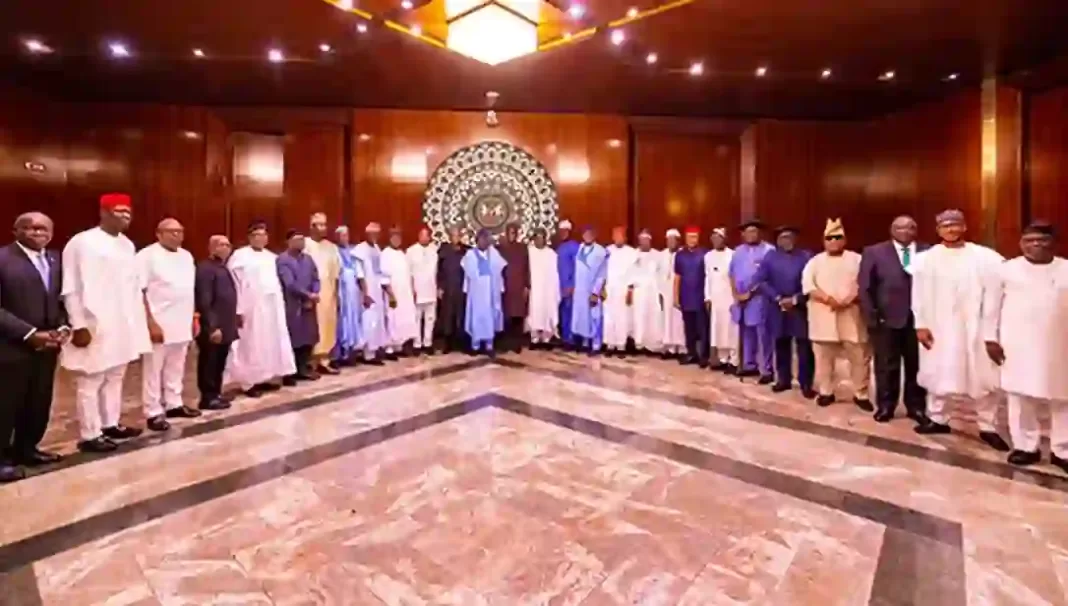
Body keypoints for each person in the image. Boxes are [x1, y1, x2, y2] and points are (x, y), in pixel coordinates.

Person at [909, 209, 1009, 451]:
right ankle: (937, 419)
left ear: (964, 227)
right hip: (938, 326)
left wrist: (991, 332)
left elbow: (996, 295)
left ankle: (988, 427)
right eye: (945, 226)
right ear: (938, 230)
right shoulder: (926, 258)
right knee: (937, 372)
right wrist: (920, 324)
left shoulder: (986, 257)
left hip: (976, 327)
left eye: (955, 225)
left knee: (982, 377)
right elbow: (918, 295)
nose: (951, 230)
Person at [61, 193, 151, 453]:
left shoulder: (127, 245)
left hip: (122, 323)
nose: (125, 217)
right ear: (103, 212)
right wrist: (78, 324)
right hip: (93, 323)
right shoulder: (81, 242)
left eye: (128, 212)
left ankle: (110, 424)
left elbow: (133, 288)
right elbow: (71, 286)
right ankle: (90, 434)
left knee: (116, 375)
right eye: (118, 211)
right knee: (91, 379)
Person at [983, 222, 1068, 470]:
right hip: (1017, 344)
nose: (1036, 245)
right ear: (1021, 243)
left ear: (1053, 243)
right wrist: (990, 338)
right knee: (1020, 397)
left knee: (1063, 398)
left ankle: (1062, 450)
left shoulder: (1066, 269)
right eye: (1030, 240)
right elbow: (991, 307)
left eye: (1042, 240)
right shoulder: (1006, 270)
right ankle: (1025, 446)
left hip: (1060, 344)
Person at [0, 212, 66, 480]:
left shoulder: (56, 259)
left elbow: (62, 297)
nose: (38, 233)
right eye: (31, 228)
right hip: (10, 347)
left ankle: (27, 448)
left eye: (44, 229)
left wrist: (61, 327)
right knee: (6, 404)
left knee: (38, 401)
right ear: (16, 230)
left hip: (47, 345)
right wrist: (29, 333)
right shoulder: (3, 259)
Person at [859, 215, 930, 423]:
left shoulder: (928, 251)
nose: (905, 231)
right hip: (885, 320)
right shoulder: (874, 252)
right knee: (886, 366)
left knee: (916, 365)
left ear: (916, 230)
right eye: (899, 228)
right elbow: (865, 287)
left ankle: (916, 407)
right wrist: (872, 317)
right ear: (891, 230)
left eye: (910, 228)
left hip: (919, 321)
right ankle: (886, 406)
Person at [136, 217, 200, 432]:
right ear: (158, 233)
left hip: (182, 320)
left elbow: (188, 291)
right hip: (158, 322)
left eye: (180, 231)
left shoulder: (186, 256)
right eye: (171, 231)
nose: (177, 235)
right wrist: (150, 322)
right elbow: (140, 291)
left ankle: (174, 403)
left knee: (177, 365)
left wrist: (193, 318)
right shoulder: (146, 256)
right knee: (154, 369)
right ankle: (152, 411)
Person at [802, 219, 872, 409]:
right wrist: (828, 299)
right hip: (823, 315)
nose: (833, 241)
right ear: (824, 241)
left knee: (859, 357)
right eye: (829, 238)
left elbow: (865, 283)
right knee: (824, 359)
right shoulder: (814, 261)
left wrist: (850, 298)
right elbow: (808, 286)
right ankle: (826, 392)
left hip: (852, 315)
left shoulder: (857, 259)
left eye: (837, 237)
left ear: (845, 239)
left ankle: (861, 393)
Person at [224, 220, 296, 397]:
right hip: (251, 307)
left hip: (271, 308)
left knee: (269, 342)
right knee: (250, 344)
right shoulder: (239, 257)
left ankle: (264, 377)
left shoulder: (271, 257)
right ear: (250, 237)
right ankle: (248, 383)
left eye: (264, 235)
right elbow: (235, 285)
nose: (261, 238)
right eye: (257, 235)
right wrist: (238, 310)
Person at [756, 226, 814, 397]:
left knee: (804, 348)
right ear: (777, 240)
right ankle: (783, 380)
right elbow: (762, 281)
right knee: (781, 345)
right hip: (777, 308)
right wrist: (778, 298)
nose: (786, 241)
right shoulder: (770, 257)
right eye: (782, 238)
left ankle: (806, 384)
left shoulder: (805, 256)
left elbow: (811, 282)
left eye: (789, 237)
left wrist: (795, 299)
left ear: (795, 239)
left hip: (800, 309)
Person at [194, 235, 238, 411]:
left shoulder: (223, 268)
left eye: (228, 245)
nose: (225, 248)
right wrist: (212, 327)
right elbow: (204, 300)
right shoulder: (205, 269)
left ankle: (216, 393)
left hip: (226, 324)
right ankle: (207, 397)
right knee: (209, 362)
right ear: (211, 248)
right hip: (213, 327)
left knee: (220, 361)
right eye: (221, 245)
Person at [729, 219, 775, 381]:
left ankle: (766, 370)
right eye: (748, 232)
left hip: (760, 300)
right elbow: (732, 274)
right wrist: (736, 294)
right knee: (746, 333)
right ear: (743, 235)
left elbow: (767, 277)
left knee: (763, 335)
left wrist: (750, 293)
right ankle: (749, 365)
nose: (751, 235)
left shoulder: (769, 250)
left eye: (754, 232)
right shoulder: (738, 251)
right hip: (741, 301)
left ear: (760, 233)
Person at [277, 229, 321, 384]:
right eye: (297, 240)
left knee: (308, 337)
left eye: (302, 239)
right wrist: (308, 295)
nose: (300, 243)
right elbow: (289, 283)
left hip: (309, 304)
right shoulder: (283, 260)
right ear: (288, 242)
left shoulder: (308, 259)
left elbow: (316, 278)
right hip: (293, 304)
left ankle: (303, 368)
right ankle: (290, 373)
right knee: (293, 338)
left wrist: (314, 293)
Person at [304, 212, 341, 375]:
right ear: (312, 227)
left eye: (325, 224)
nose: (324, 228)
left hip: (329, 293)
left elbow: (336, 273)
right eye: (320, 225)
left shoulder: (331, 247)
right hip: (311, 294)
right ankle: (310, 362)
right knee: (313, 327)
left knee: (328, 325)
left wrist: (337, 294)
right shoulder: (304, 245)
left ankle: (324, 361)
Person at [353, 222, 394, 364]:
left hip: (377, 291)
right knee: (368, 322)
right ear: (366, 234)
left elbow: (381, 272)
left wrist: (389, 292)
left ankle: (375, 350)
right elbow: (359, 274)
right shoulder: (360, 250)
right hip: (367, 291)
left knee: (378, 322)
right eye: (372, 233)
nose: (374, 236)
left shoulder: (377, 249)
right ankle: (367, 354)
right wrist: (365, 293)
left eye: (376, 233)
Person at [461, 229, 507, 356]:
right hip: (476, 291)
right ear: (477, 240)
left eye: (486, 239)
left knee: (489, 317)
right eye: (481, 239)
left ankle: (489, 346)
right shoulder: (470, 254)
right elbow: (469, 273)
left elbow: (499, 270)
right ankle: (475, 346)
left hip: (490, 291)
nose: (484, 242)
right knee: (476, 317)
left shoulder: (494, 253)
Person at [703, 228, 737, 371]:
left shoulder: (733, 255)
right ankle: (722, 359)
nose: (717, 241)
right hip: (716, 298)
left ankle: (733, 360)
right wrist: (707, 297)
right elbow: (708, 278)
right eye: (714, 238)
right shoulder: (708, 256)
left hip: (730, 297)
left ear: (725, 239)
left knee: (731, 329)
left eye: (719, 238)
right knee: (718, 329)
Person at [571, 226, 608, 354]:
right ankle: (586, 343)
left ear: (594, 235)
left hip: (593, 290)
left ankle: (596, 345)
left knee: (595, 317)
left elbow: (602, 274)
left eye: (590, 234)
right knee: (583, 318)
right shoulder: (579, 248)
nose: (587, 236)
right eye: (585, 234)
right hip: (580, 290)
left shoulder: (600, 251)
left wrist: (595, 292)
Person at [381, 227, 417, 357]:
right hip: (393, 293)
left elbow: (408, 273)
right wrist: (391, 294)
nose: (396, 240)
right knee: (392, 318)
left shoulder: (402, 254)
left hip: (405, 293)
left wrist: (412, 290)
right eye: (394, 238)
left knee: (403, 318)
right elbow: (384, 277)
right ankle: (389, 349)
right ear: (390, 239)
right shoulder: (385, 253)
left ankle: (399, 347)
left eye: (398, 238)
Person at [675, 226, 708, 367]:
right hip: (685, 296)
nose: (692, 239)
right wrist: (676, 297)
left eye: (694, 236)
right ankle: (691, 353)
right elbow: (677, 277)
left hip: (700, 297)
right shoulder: (680, 255)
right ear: (685, 237)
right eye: (689, 236)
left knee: (703, 328)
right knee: (689, 328)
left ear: (698, 238)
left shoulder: (705, 254)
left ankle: (703, 356)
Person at [604, 226, 637, 357]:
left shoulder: (632, 252)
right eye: (615, 235)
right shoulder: (607, 251)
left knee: (622, 317)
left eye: (620, 235)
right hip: (609, 289)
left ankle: (621, 345)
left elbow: (634, 272)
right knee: (609, 317)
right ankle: (609, 344)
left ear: (625, 237)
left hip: (623, 290)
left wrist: (630, 289)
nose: (618, 238)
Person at [629, 229, 663, 354]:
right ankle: (639, 344)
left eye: (646, 240)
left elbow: (661, 274)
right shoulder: (634, 255)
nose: (644, 243)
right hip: (639, 292)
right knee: (638, 317)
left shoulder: (657, 255)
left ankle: (652, 346)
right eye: (641, 240)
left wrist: (661, 292)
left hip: (653, 292)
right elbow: (630, 273)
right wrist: (630, 289)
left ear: (650, 241)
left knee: (653, 318)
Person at [498, 223, 530, 353]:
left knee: (518, 316)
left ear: (517, 234)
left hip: (519, 285)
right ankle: (506, 344)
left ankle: (517, 344)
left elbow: (527, 267)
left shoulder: (523, 248)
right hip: (505, 286)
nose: (512, 235)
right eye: (509, 232)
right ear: (506, 233)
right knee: (506, 316)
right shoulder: (500, 249)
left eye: (514, 232)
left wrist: (527, 285)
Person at [332, 226, 363, 365]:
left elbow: (359, 273)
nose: (344, 238)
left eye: (346, 235)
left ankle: (351, 352)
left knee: (353, 320)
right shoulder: (333, 251)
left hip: (353, 291)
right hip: (341, 290)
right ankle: (340, 354)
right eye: (341, 235)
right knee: (342, 322)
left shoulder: (353, 251)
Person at [406, 226, 438, 354]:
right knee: (417, 318)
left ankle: (428, 343)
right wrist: (411, 288)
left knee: (430, 318)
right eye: (422, 235)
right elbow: (408, 272)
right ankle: (417, 344)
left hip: (431, 289)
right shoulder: (411, 251)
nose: (424, 237)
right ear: (418, 236)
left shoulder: (434, 250)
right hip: (417, 289)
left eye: (427, 235)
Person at [436, 226, 469, 354]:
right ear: (450, 237)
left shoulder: (466, 251)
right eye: (453, 235)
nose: (456, 237)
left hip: (461, 288)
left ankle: (461, 344)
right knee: (447, 316)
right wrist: (439, 286)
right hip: (448, 288)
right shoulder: (444, 251)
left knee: (461, 315)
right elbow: (438, 270)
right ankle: (447, 344)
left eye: (458, 235)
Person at [527, 228, 560, 347]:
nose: (539, 240)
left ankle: (546, 338)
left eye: (542, 238)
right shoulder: (529, 252)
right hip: (534, 288)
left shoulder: (551, 254)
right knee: (534, 312)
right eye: (537, 238)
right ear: (534, 239)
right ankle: (534, 338)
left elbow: (555, 272)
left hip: (548, 288)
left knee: (547, 312)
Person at [660, 229, 686, 359]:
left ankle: (681, 349)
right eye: (668, 240)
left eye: (673, 240)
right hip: (665, 292)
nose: (670, 242)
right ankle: (669, 348)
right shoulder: (662, 255)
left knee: (679, 320)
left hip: (680, 291)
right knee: (667, 320)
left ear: (678, 241)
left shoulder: (683, 254)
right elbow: (658, 275)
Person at [555, 220, 580, 349]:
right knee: (563, 313)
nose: (562, 233)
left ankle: (570, 340)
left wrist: (572, 284)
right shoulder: (559, 247)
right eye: (561, 231)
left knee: (570, 313)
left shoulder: (574, 246)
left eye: (565, 231)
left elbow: (577, 267)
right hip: (559, 286)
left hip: (569, 287)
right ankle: (565, 338)